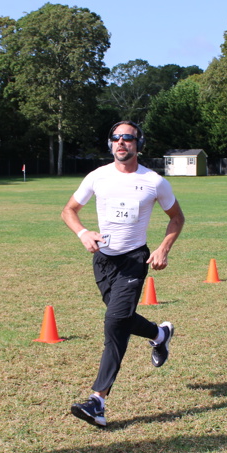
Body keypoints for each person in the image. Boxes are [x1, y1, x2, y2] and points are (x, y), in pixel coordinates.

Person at [61, 121, 185, 428]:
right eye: (116, 138)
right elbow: (68, 210)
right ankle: (160, 334)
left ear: (138, 144)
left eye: (128, 138)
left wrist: (163, 248)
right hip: (103, 260)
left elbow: (176, 218)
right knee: (123, 318)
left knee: (115, 322)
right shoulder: (97, 176)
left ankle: (97, 401)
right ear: (110, 143)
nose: (121, 142)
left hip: (133, 260)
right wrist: (83, 233)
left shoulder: (154, 182)